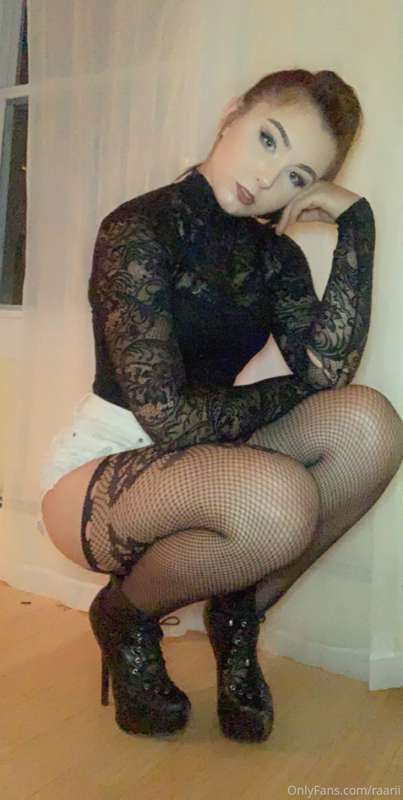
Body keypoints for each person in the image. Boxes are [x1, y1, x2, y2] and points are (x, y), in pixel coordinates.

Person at [39, 68, 403, 743]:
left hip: (210, 455)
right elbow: (167, 417)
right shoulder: (140, 227)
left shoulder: (277, 258)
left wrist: (357, 223)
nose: (268, 178)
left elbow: (330, 372)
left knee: (369, 425)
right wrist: (297, 390)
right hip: (107, 465)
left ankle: (238, 616)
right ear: (232, 114)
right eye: (268, 139)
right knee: (277, 499)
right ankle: (125, 617)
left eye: (298, 176)